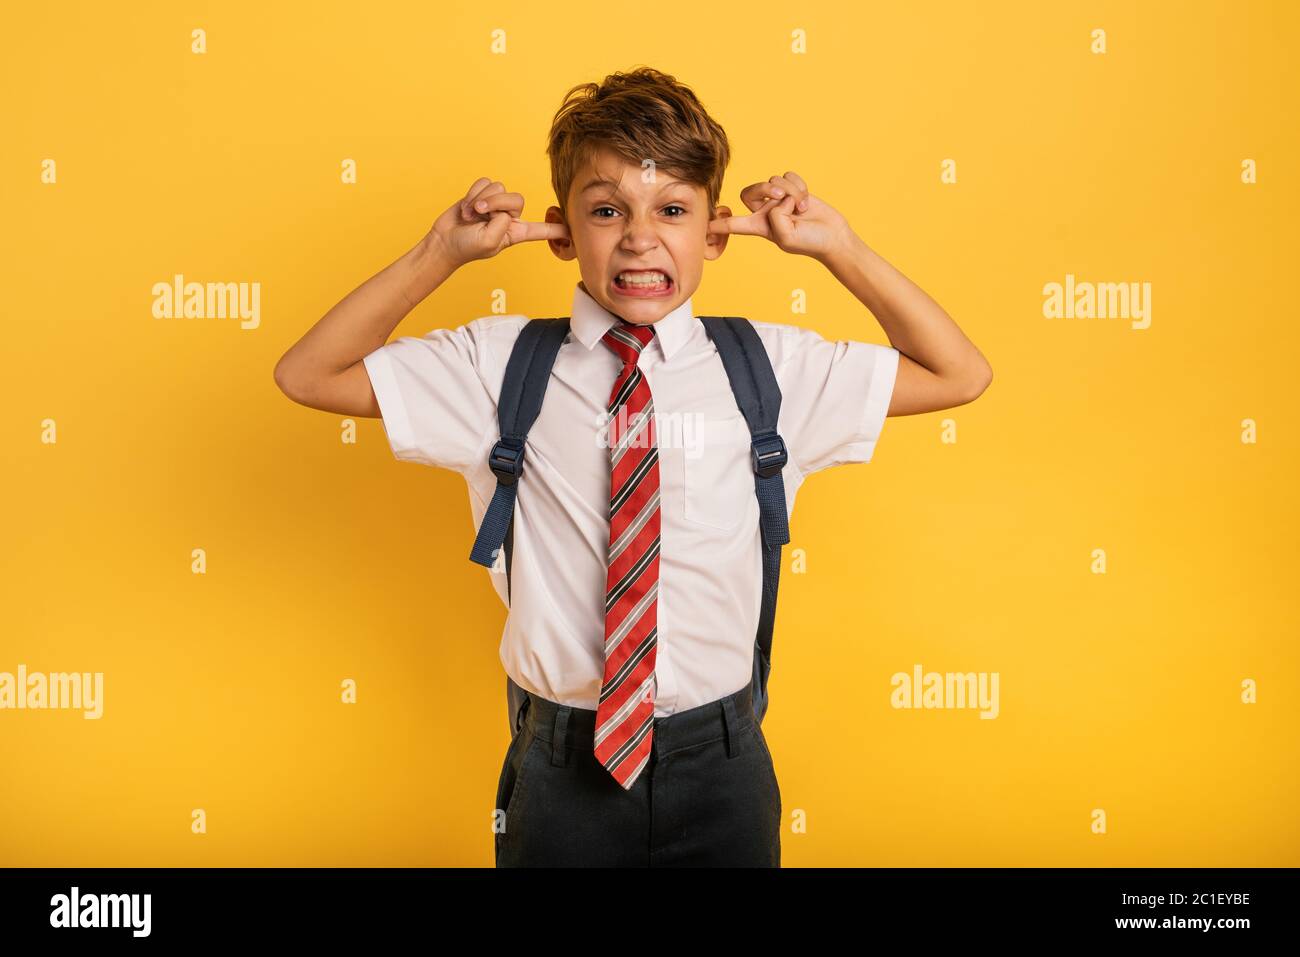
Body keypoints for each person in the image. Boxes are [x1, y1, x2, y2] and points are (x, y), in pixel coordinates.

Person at [274, 66, 992, 866]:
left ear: (715, 235)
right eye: (607, 209)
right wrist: (437, 254)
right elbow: (309, 375)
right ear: (561, 229)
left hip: (721, 760)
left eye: (674, 211)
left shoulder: (770, 369)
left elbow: (957, 373)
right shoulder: (497, 364)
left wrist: (839, 248)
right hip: (561, 768)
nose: (641, 237)